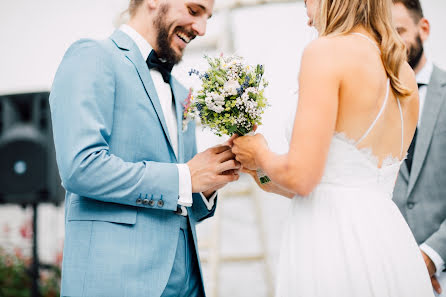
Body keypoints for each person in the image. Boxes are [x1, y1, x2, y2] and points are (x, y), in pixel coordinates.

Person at [231, 0, 434, 295]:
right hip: (389, 241)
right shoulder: (402, 70)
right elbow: (340, 181)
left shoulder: (326, 51)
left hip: (335, 242)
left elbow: (301, 177)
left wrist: (259, 150)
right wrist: (264, 173)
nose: (306, 11)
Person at [49, 1, 240, 296]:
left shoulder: (182, 92)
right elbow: (81, 167)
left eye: (207, 18)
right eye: (193, 10)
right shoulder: (92, 56)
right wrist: (185, 178)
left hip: (186, 281)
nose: (202, 29)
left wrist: (210, 181)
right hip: (117, 282)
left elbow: (178, 199)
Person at [392, 0, 446, 295]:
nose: (390, 42)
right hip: (388, 273)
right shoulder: (371, 104)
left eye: (398, 30)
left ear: (423, 29)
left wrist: (430, 257)